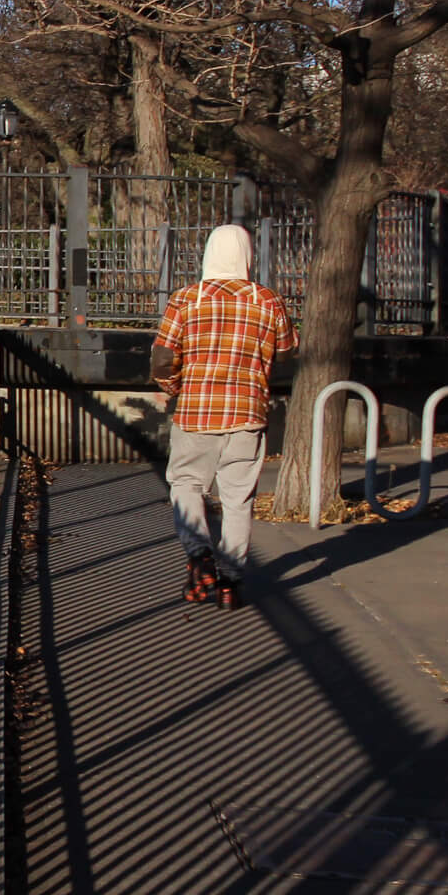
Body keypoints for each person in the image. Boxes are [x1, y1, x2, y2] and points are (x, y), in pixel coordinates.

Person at [150, 223, 298, 609]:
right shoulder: (268, 301)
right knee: (238, 499)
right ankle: (231, 581)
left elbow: (163, 357)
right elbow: (286, 351)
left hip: (197, 411)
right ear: (248, 255)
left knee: (185, 484)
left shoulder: (185, 299)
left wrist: (174, 386)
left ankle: (199, 554)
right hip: (248, 412)